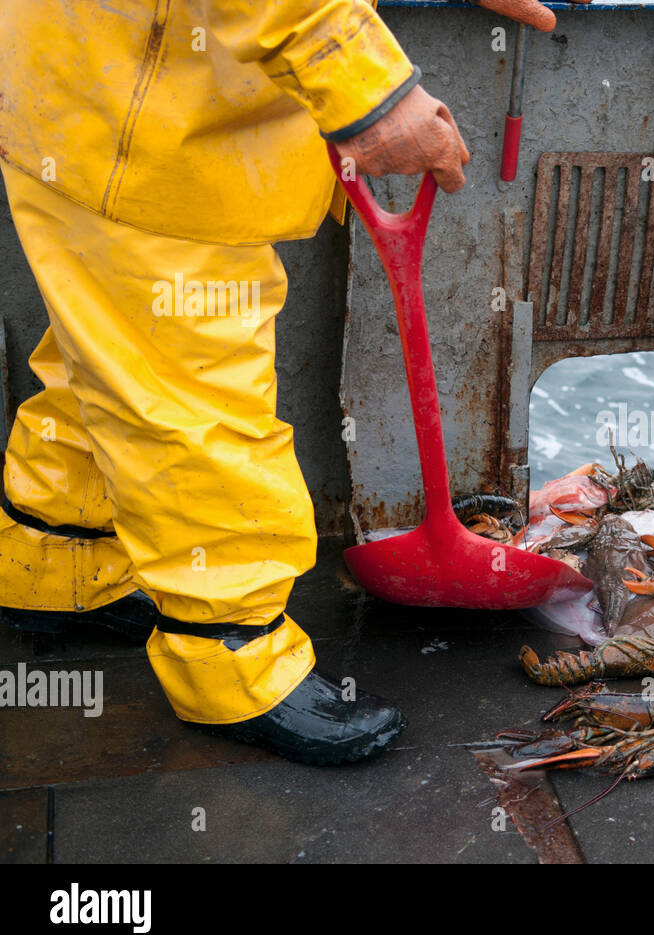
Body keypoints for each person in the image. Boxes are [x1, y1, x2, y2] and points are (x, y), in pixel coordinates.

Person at [0, 0, 555, 764]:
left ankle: (56, 559)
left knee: (110, 359)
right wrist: (374, 93)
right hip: (146, 121)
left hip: (95, 91)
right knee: (194, 402)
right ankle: (231, 660)